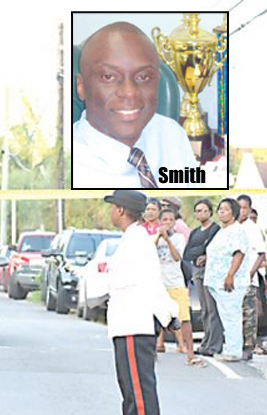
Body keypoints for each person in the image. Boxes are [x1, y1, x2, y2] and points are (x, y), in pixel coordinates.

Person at [72, 22, 195, 188]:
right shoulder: (68, 165)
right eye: (109, 77)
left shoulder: (171, 134)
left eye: (143, 77)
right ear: (81, 87)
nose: (129, 92)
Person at [104, 190, 175, 415]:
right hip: (125, 323)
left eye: (112, 207)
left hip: (135, 323)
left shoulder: (138, 242)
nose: (110, 212)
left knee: (138, 387)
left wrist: (168, 315)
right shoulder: (131, 240)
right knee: (129, 388)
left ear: (121, 210)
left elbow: (151, 282)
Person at [155, 209, 204, 367]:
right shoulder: (154, 238)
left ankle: (190, 353)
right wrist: (158, 237)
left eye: (171, 220)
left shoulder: (178, 238)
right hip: (159, 284)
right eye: (164, 220)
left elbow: (177, 257)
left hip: (175, 283)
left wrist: (167, 240)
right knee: (156, 319)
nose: (167, 223)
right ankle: (154, 350)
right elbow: (148, 254)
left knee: (184, 318)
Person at [204, 198, 250, 362]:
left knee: (231, 315)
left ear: (234, 212)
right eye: (220, 209)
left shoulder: (236, 230)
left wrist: (230, 275)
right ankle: (229, 348)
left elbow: (239, 253)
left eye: (226, 209)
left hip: (229, 281)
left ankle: (233, 351)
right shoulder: (223, 230)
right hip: (217, 281)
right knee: (226, 315)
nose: (221, 212)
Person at [184, 198, 223, 356]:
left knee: (213, 308)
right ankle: (206, 342)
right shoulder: (194, 232)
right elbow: (187, 253)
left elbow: (212, 248)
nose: (200, 213)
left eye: (203, 210)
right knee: (204, 309)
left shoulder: (215, 229)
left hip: (211, 271)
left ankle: (214, 344)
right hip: (197, 271)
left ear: (210, 212)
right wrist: (201, 250)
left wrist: (204, 252)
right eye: (198, 210)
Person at [237, 194, 267, 360]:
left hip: (248, 277)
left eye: (244, 208)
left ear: (249, 209)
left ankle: (248, 345)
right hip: (233, 277)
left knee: (249, 313)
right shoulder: (232, 227)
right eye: (239, 207)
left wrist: (250, 273)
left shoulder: (252, 228)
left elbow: (261, 254)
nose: (241, 211)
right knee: (235, 313)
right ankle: (236, 343)